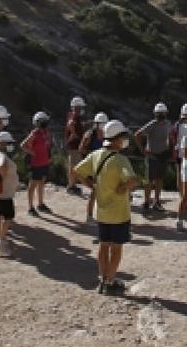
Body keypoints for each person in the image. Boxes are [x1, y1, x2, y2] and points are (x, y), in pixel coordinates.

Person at [72, 120, 140, 295]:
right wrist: (123, 187)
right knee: (116, 248)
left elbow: (76, 171)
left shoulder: (96, 155)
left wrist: (92, 186)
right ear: (117, 139)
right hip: (119, 212)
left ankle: (102, 280)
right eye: (123, 136)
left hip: (101, 210)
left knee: (103, 246)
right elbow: (133, 180)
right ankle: (110, 281)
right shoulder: (120, 160)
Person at [135, 102, 173, 214]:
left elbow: (170, 136)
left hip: (163, 155)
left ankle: (156, 201)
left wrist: (170, 148)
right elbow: (137, 134)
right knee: (149, 180)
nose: (160, 115)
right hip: (152, 155)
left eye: (162, 113)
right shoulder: (152, 124)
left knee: (159, 179)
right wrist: (143, 150)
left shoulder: (168, 124)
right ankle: (147, 202)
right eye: (159, 113)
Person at [21, 111, 53, 217]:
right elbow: (23, 145)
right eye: (43, 121)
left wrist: (49, 157)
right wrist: (32, 153)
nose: (45, 123)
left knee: (41, 183)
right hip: (36, 163)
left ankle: (40, 204)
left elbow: (47, 146)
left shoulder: (46, 133)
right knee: (33, 184)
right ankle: (30, 207)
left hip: (44, 162)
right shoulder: (35, 133)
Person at [80, 112, 110, 223]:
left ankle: (102, 214)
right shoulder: (89, 134)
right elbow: (81, 149)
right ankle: (89, 215)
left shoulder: (107, 134)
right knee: (95, 190)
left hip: (104, 165)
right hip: (93, 165)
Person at [65, 96, 87, 195]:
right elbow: (70, 124)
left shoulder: (72, 115)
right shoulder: (74, 116)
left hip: (73, 145)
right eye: (80, 107)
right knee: (74, 166)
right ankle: (71, 186)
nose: (81, 109)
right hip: (74, 145)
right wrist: (74, 133)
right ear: (76, 107)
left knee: (73, 166)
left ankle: (72, 185)